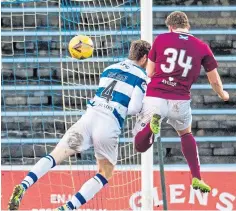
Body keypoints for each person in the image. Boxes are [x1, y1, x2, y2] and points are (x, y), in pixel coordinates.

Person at [8, 40, 151, 211]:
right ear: (144, 57)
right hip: (109, 124)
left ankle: (24, 185)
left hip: (89, 118)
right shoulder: (141, 77)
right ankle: (68, 207)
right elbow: (134, 108)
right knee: (105, 172)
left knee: (55, 156)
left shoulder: (109, 69)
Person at [133, 11, 229, 193]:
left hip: (156, 97)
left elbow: (150, 73)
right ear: (188, 26)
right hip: (180, 100)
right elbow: (214, 80)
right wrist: (222, 94)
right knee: (185, 134)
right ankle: (196, 177)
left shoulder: (161, 39)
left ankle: (150, 127)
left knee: (140, 146)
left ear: (170, 27)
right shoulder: (202, 46)